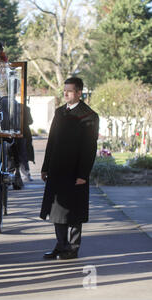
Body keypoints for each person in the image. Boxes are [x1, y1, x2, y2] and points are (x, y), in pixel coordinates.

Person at [41, 77, 99, 260]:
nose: (65, 94)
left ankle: (72, 248)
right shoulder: (60, 113)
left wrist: (83, 174)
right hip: (57, 169)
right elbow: (51, 142)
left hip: (75, 171)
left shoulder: (89, 115)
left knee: (74, 211)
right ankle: (60, 245)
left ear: (79, 92)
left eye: (70, 91)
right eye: (64, 90)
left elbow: (90, 147)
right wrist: (45, 167)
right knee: (57, 211)